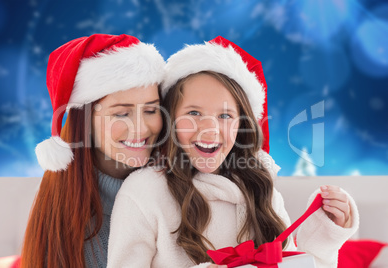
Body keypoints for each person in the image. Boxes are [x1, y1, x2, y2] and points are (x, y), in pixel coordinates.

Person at [107, 36, 359, 268]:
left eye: (225, 115)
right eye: (193, 113)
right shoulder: (144, 192)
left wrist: (322, 237)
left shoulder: (259, 187)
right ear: (169, 119)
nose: (210, 130)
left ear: (241, 125)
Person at [20, 33, 165, 268]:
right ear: (85, 120)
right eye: (121, 113)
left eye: (151, 110)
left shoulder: (180, 190)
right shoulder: (62, 206)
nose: (142, 128)